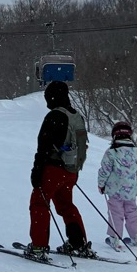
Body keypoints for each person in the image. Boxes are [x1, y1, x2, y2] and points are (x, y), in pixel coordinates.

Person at [25, 80, 92, 259]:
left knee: (39, 203)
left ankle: (38, 247)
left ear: (53, 97)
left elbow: (44, 146)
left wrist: (37, 171)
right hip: (71, 170)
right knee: (66, 206)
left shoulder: (55, 116)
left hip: (52, 169)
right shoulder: (77, 115)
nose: (47, 101)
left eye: (48, 97)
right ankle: (79, 244)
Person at [96, 120, 137, 252]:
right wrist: (135, 185)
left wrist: (101, 185)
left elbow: (104, 170)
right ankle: (136, 238)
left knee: (115, 213)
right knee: (132, 213)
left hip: (114, 190)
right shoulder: (136, 152)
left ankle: (115, 238)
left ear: (115, 135)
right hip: (130, 191)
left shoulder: (111, 152)